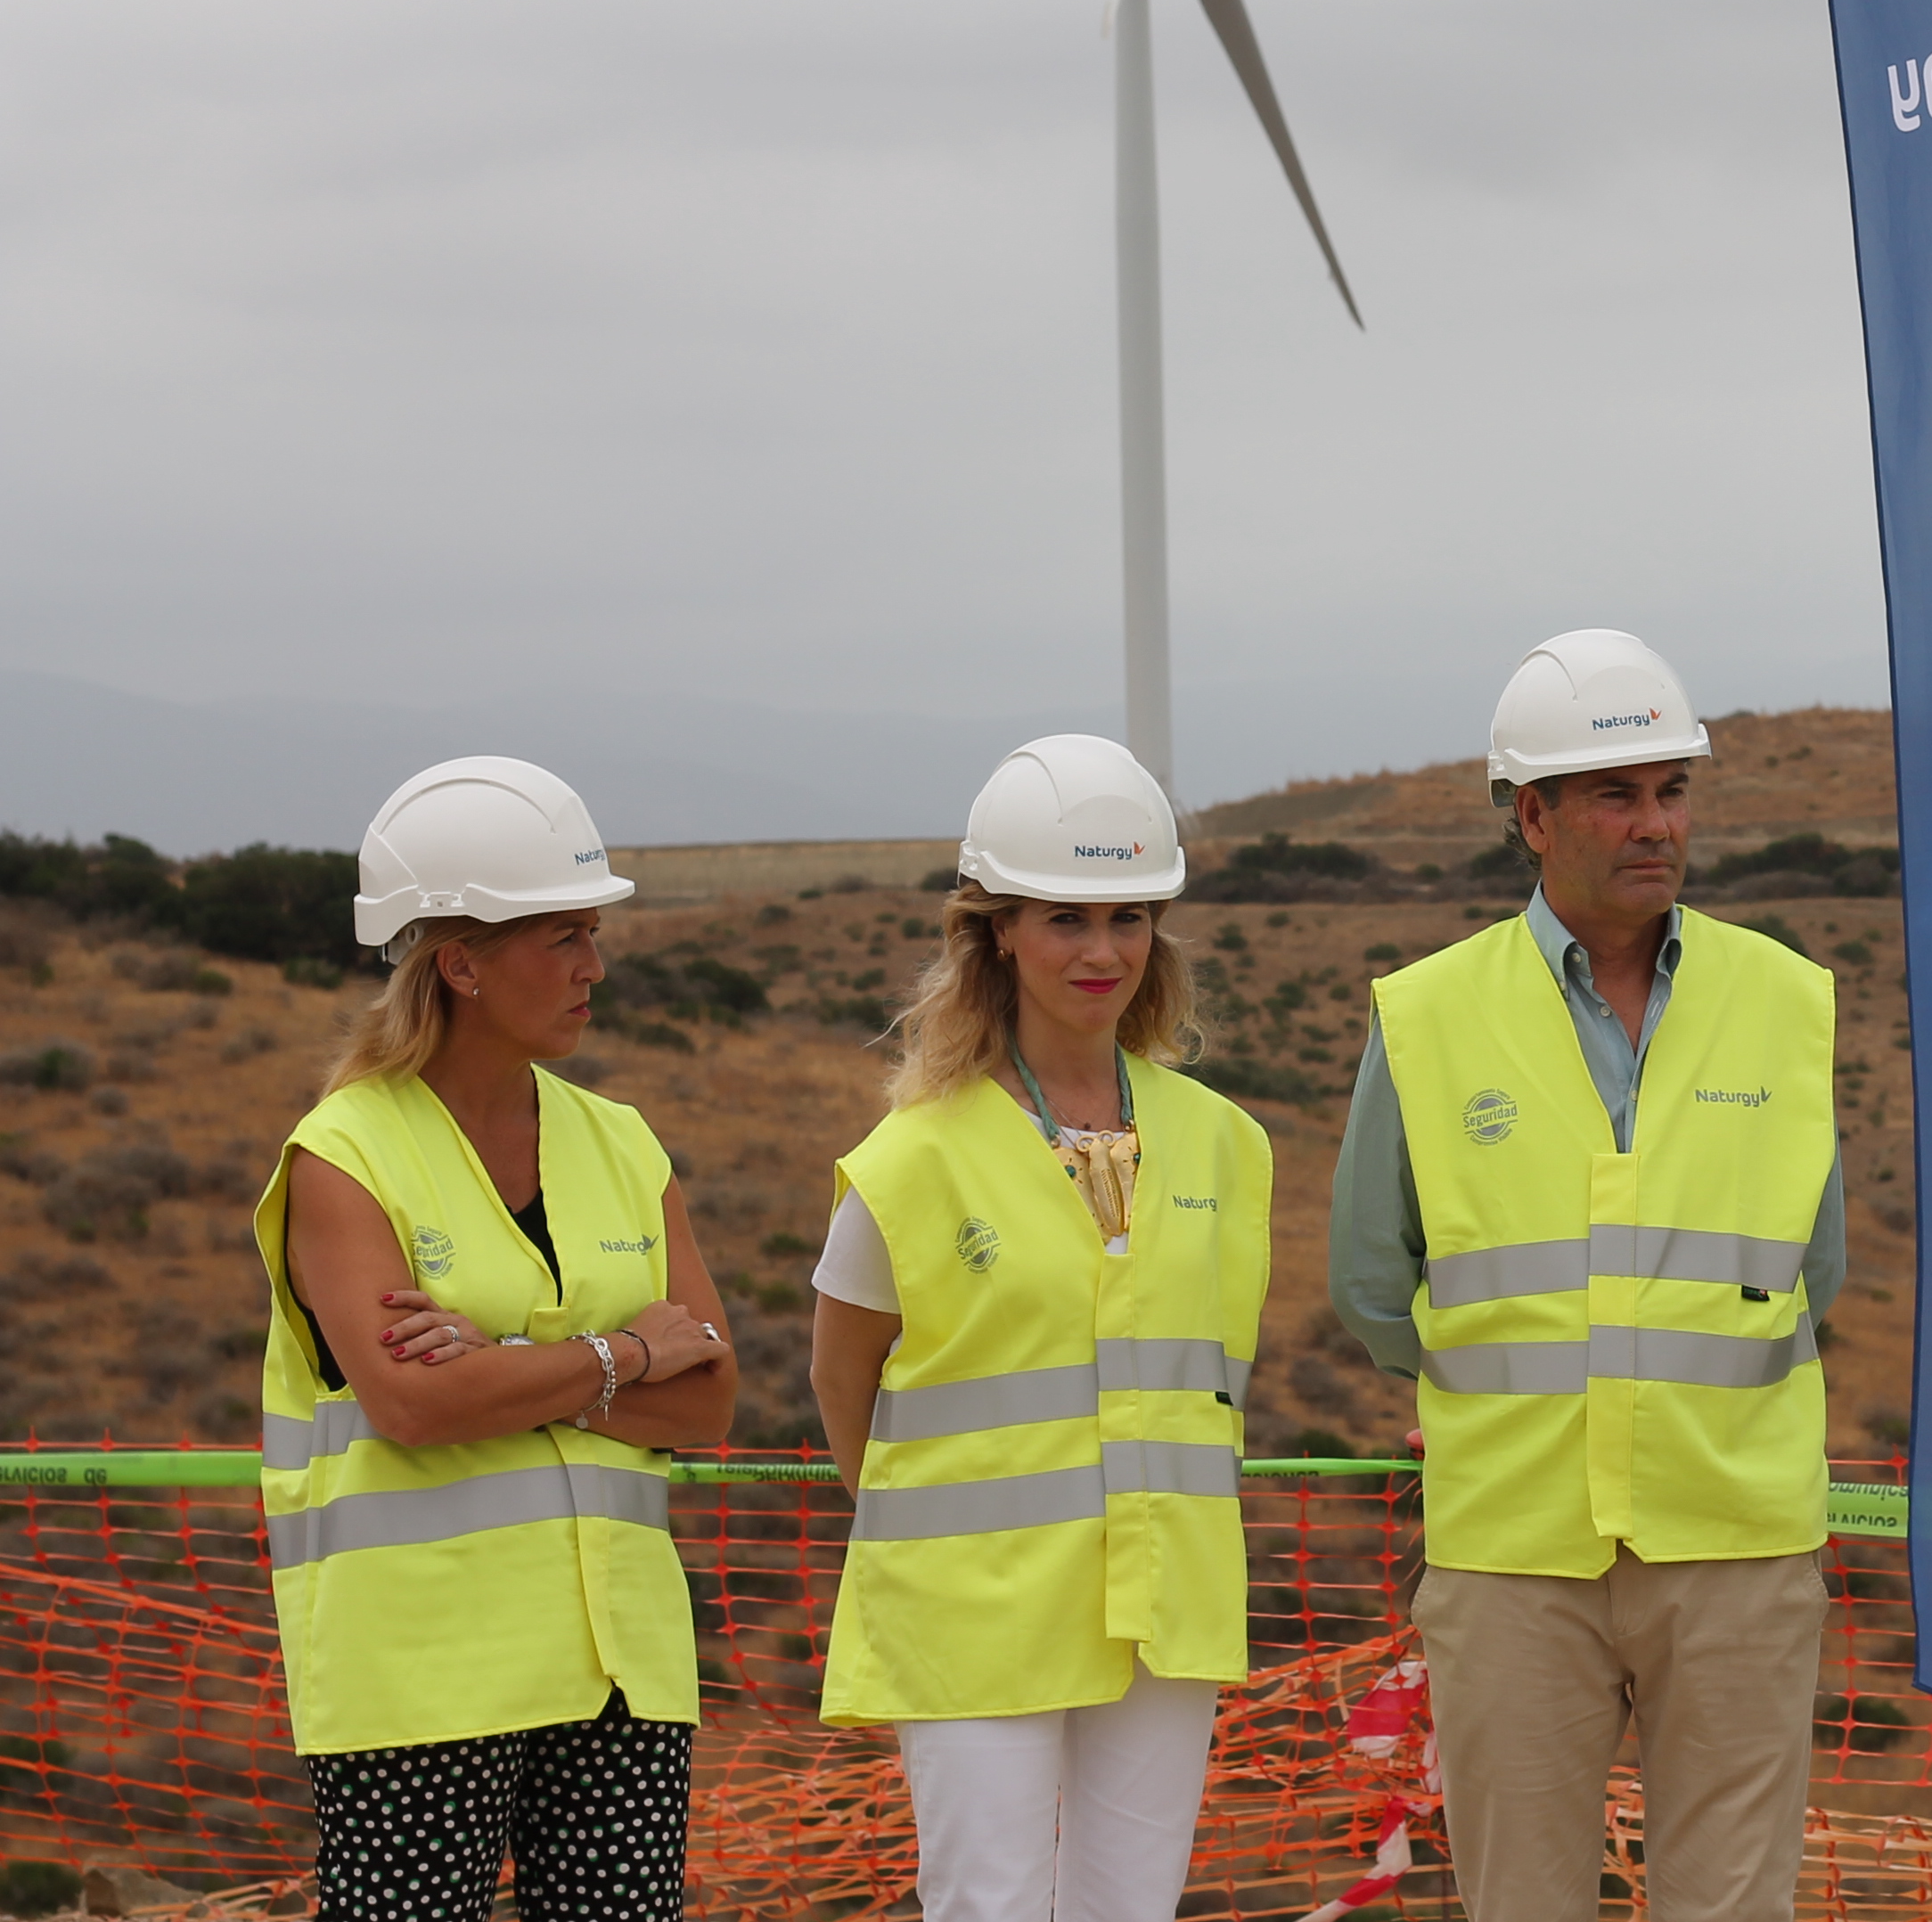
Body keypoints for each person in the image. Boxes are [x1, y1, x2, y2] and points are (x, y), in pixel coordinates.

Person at [1330, 629, 1847, 1922]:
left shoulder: (1785, 1000)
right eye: (1617, 794)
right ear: (1533, 817)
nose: (1655, 823)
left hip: (1737, 1545)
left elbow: (1815, 1269)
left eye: (1672, 790)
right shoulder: (1428, 1015)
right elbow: (1372, 1285)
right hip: (1513, 1551)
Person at [257, 756, 737, 1922]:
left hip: (622, 1675)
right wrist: (622, 1356)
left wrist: (502, 1366)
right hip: (419, 1677)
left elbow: (710, 1405)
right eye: (562, 936)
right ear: (460, 963)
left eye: (593, 934)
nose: (594, 966)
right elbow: (414, 1405)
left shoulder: (624, 1141)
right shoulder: (344, 1156)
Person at [810, 734, 1275, 1922]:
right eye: (1066, 919)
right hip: (972, 1615)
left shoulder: (1225, 1144)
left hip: (1164, 1608)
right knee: (993, 1906)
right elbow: (842, 1379)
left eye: (1129, 919)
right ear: (1000, 931)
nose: (1102, 951)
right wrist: (941, 1536)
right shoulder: (913, 1158)